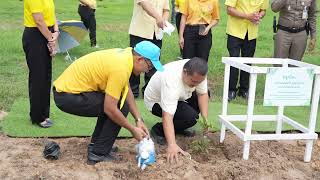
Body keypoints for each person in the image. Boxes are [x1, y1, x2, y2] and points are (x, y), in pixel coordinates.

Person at [53, 41, 164, 165]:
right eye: (149, 66)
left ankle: (98, 145)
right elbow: (110, 108)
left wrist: (138, 119)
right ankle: (98, 153)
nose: (147, 71)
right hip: (67, 95)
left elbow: (126, 91)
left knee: (119, 101)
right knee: (118, 106)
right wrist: (132, 129)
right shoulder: (121, 68)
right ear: (140, 59)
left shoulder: (126, 56)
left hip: (70, 92)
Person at [144, 57, 209, 163]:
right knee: (191, 118)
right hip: (156, 102)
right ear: (185, 72)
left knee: (200, 101)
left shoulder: (198, 71)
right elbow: (167, 116)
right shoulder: (171, 81)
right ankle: (158, 130)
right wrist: (172, 145)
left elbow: (202, 94)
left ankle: (179, 126)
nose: (196, 84)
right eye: (193, 81)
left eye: (199, 82)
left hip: (181, 96)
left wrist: (206, 120)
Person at [22, 0, 59, 128]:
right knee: (38, 77)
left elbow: (52, 14)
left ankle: (44, 113)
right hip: (35, 36)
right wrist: (51, 39)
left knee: (46, 76)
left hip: (47, 32)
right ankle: (37, 116)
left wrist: (56, 31)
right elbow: (38, 20)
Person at [225, 0, 269, 101]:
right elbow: (229, 9)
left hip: (251, 32)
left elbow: (263, 10)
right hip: (235, 31)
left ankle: (244, 89)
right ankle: (231, 89)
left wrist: (258, 16)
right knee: (234, 60)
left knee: (248, 61)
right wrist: (247, 16)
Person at [128, 0, 170, 98]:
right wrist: (158, 17)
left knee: (153, 64)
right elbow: (144, 3)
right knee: (135, 62)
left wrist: (163, 20)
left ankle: (149, 92)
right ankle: (132, 93)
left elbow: (166, 9)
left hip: (157, 33)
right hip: (140, 31)